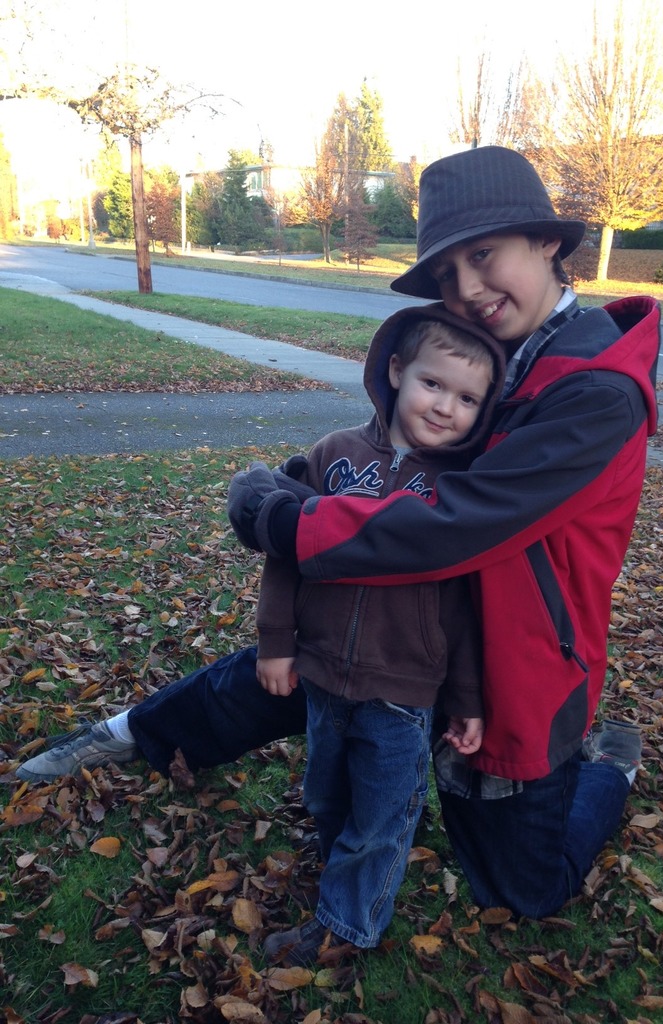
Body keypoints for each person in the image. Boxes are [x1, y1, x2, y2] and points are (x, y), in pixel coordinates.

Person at [16, 145, 659, 924]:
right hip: (407, 615)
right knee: (290, 665)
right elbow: (394, 456)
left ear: (548, 241)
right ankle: (129, 733)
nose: (466, 290)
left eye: (483, 256)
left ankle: (610, 767)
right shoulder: (500, 348)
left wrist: (290, 521)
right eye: (447, 272)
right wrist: (300, 483)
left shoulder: (597, 391)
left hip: (513, 662)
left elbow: (458, 523)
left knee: (520, 891)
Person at [248, 308, 500, 965]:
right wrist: (276, 640)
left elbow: (463, 606)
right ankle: (341, 862)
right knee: (326, 794)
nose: (445, 407)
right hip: (324, 676)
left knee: (383, 816)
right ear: (395, 371)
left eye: (467, 398)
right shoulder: (333, 455)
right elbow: (286, 552)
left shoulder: (459, 492)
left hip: (403, 693)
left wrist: (466, 699)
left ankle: (347, 925)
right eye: (433, 384)